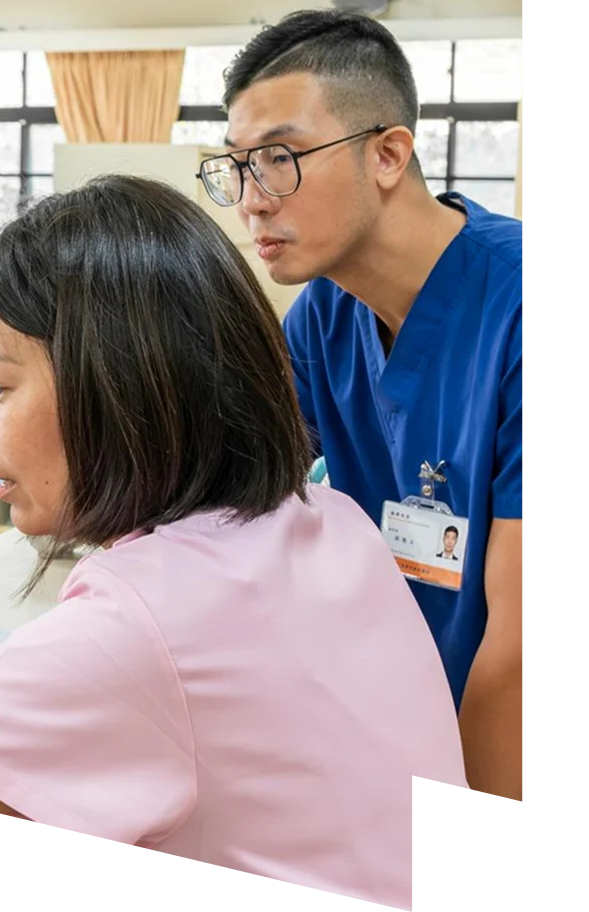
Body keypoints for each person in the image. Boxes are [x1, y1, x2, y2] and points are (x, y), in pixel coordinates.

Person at [0, 175, 468, 910]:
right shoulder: (328, 518)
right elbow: (204, 708)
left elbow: (144, 668)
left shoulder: (143, 624)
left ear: (112, 387)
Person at [203, 9, 524, 802]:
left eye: (280, 159)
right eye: (237, 167)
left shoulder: (514, 308)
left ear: (388, 154)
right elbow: (219, 494)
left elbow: (518, 653)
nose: (251, 200)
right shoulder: (322, 316)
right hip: (395, 734)